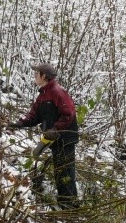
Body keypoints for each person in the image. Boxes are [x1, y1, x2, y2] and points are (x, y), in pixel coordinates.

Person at [9, 63, 79, 209]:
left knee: (65, 171)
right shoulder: (43, 95)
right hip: (53, 138)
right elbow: (34, 115)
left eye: (37, 74)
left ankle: (70, 206)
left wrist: (56, 129)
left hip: (65, 139)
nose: (35, 76)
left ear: (44, 76)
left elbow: (69, 114)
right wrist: (20, 123)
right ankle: (65, 203)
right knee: (59, 171)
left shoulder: (58, 92)